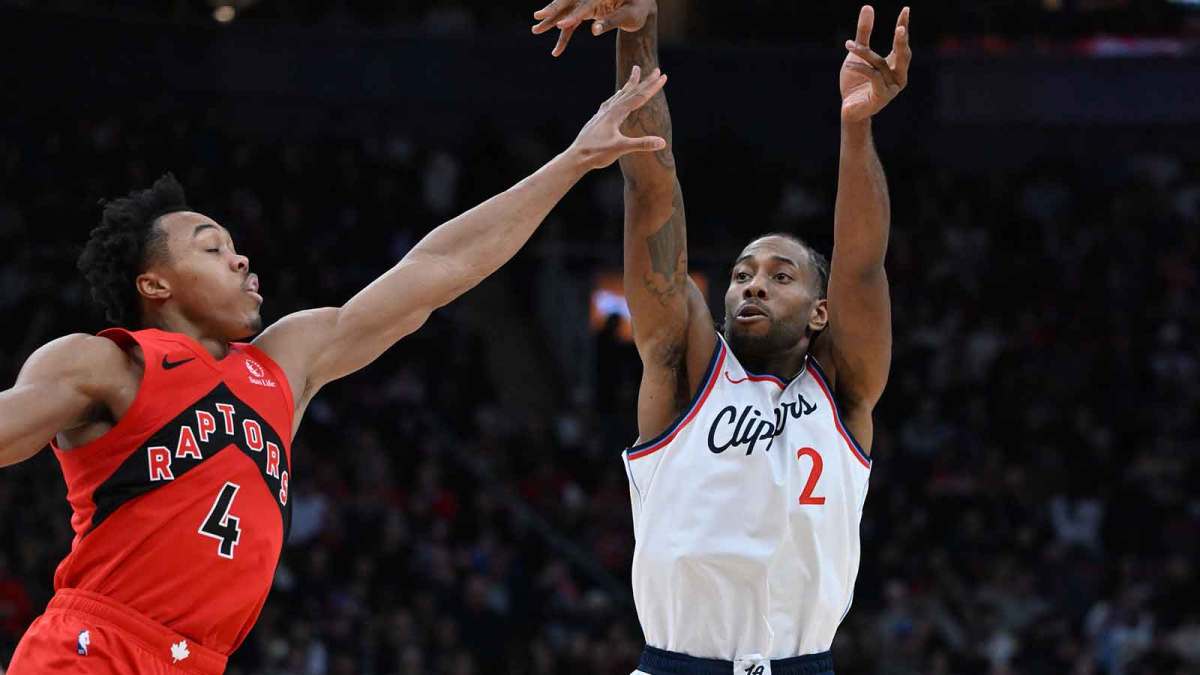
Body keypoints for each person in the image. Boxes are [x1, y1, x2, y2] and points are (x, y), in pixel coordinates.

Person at [0, 69, 668, 674]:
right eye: (212, 248)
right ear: (155, 284)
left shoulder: (284, 362)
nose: (239, 260)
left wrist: (575, 160)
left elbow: (435, 272)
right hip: (93, 648)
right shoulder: (106, 362)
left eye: (235, 246)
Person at [534, 2, 911, 673]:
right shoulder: (685, 365)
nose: (753, 285)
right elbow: (652, 190)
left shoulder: (846, 391)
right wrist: (637, 30)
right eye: (740, 274)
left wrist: (857, 131)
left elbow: (859, 265)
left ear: (820, 312)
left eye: (779, 274)